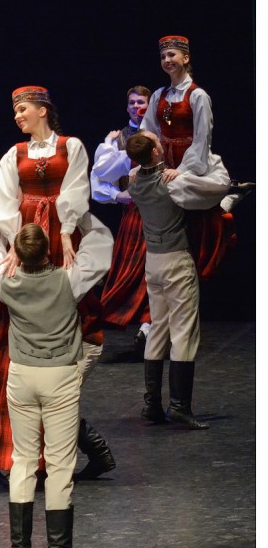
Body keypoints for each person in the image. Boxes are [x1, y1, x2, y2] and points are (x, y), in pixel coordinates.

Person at [0, 87, 115, 480]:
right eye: (15, 110)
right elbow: (2, 201)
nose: (18, 116)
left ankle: (53, 451)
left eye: (23, 109)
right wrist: (14, 242)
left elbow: (76, 191)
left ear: (43, 110)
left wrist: (66, 231)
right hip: (27, 236)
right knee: (12, 350)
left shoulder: (71, 146)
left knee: (56, 332)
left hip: (58, 236)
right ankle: (8, 449)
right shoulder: (15, 154)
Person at [0, 223, 107, 548]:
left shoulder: (5, 279)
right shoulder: (70, 280)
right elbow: (102, 244)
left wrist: (3, 234)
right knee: (59, 464)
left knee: (23, 460)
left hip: (22, 375)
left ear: (18, 254)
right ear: (48, 250)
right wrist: (72, 225)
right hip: (59, 376)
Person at [124, 130, 230, 429]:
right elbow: (219, 185)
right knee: (183, 331)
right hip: (175, 260)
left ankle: (152, 405)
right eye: (158, 143)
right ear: (156, 153)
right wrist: (204, 161)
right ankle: (180, 407)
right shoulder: (173, 183)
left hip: (153, 261)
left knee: (158, 328)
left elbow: (135, 172)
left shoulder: (134, 181)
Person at [138, 36, 243, 280]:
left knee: (188, 199)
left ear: (186, 58)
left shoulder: (197, 96)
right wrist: (149, 158)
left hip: (189, 159)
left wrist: (183, 168)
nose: (167, 60)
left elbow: (202, 138)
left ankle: (225, 199)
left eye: (172, 55)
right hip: (164, 158)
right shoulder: (159, 94)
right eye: (163, 56)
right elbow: (148, 130)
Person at [92, 86, 154, 351]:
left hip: (162, 208)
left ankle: (149, 324)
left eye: (141, 102)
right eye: (132, 102)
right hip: (134, 213)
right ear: (127, 107)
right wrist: (118, 196)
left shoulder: (159, 133)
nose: (136, 106)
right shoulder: (118, 139)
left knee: (157, 269)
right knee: (132, 271)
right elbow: (98, 178)